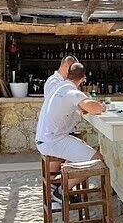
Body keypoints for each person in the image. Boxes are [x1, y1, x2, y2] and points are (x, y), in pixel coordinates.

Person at [35, 63, 106, 203]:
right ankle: (60, 191)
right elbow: (95, 108)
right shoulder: (71, 91)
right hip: (54, 141)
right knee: (97, 160)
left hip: (45, 138)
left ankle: (57, 183)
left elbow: (79, 105)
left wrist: (83, 106)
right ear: (83, 78)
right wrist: (101, 106)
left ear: (67, 74)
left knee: (81, 149)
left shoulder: (58, 87)